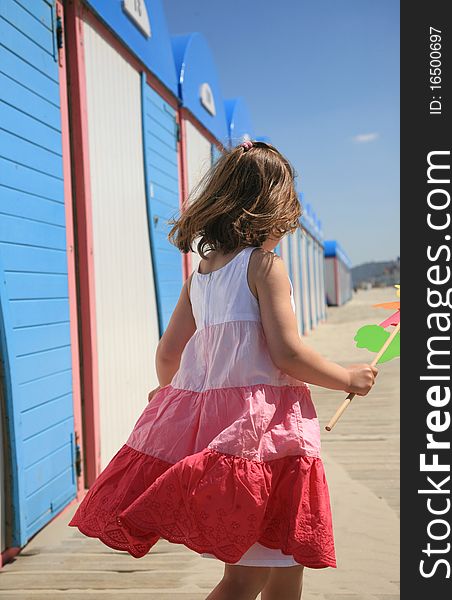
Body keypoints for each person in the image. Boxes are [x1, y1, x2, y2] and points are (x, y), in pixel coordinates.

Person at [68, 140, 377, 600]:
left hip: (231, 441)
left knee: (281, 566)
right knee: (250, 577)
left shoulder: (202, 275)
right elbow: (288, 354)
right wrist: (348, 378)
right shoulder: (264, 267)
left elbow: (168, 354)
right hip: (265, 442)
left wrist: (171, 393)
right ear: (275, 208)